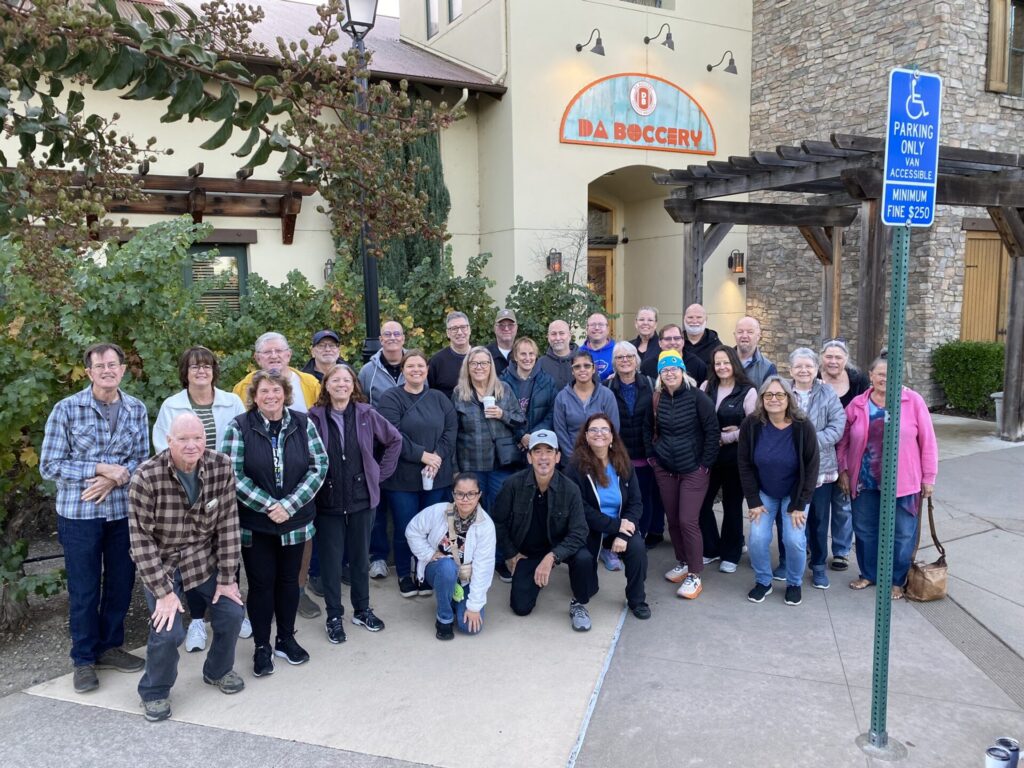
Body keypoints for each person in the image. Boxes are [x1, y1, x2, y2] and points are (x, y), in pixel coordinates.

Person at [40, 342, 149, 694]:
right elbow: (50, 465)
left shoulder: (135, 408)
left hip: (121, 513)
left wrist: (116, 477)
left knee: (120, 583)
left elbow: (142, 460)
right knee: (85, 589)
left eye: (113, 365)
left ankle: (109, 646)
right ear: (88, 372)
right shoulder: (66, 410)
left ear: (122, 369)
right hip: (80, 515)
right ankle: (84, 659)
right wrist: (100, 468)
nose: (107, 370)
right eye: (100, 366)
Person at [127, 414, 245, 722]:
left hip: (201, 558)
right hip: (162, 563)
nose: (192, 445)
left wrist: (227, 578)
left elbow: (229, 525)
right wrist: (164, 593)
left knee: (232, 612)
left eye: (198, 438)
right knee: (168, 632)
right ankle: (154, 691)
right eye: (183, 439)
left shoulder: (221, 466)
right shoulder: (146, 476)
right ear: (169, 441)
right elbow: (140, 543)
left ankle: (217, 671)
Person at [221, 370, 327, 677]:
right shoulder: (239, 427)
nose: (270, 396)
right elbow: (233, 473)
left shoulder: (303, 424)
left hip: (295, 520)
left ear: (285, 394)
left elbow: (318, 466)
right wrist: (269, 505)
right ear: (254, 396)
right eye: (264, 391)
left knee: (289, 582)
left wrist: (290, 504)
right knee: (261, 586)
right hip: (257, 523)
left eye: (276, 391)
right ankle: (261, 647)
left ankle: (286, 638)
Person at [151, 346, 249, 651]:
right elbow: (162, 445)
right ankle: (196, 620)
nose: (201, 371)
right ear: (185, 371)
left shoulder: (232, 402)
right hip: (186, 490)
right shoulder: (172, 405)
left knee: (228, 546)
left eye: (206, 366)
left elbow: (243, 439)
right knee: (192, 555)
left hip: (224, 487)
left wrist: (221, 474)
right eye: (194, 367)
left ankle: (233, 605)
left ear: (214, 371)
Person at [308, 364, 401, 644]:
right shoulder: (313, 418)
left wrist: (377, 474)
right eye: (335, 380)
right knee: (331, 562)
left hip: (362, 499)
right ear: (326, 385)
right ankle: (334, 616)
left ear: (353, 385)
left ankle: (362, 609)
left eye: (346, 380)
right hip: (328, 500)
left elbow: (394, 440)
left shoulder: (366, 414)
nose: (341, 384)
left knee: (361, 559)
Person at [837, 357, 938, 599]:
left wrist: (929, 477)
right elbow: (843, 441)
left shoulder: (912, 401)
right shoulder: (857, 404)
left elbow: (928, 441)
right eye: (880, 373)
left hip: (905, 481)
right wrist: (843, 470)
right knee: (864, 529)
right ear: (870, 376)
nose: (885, 378)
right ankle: (869, 574)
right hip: (864, 480)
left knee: (903, 532)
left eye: (890, 374)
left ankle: (896, 579)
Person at [491, 431, 594, 632]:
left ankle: (579, 603)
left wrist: (552, 557)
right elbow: (497, 522)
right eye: (537, 452)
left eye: (549, 451)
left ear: (558, 457)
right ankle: (535, 575)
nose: (543, 457)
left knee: (583, 559)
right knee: (520, 607)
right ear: (529, 457)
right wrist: (511, 553)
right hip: (528, 551)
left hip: (559, 548)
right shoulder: (513, 484)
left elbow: (580, 531)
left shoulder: (570, 489)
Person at [377, 350, 458, 597]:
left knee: (433, 529)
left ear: (427, 369)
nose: (416, 370)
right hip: (403, 477)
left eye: (420, 366)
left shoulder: (439, 398)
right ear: (402, 370)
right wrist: (422, 455)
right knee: (406, 527)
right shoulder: (391, 398)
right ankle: (404, 573)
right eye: (410, 366)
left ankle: (426, 573)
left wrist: (437, 457)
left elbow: (451, 430)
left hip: (436, 475)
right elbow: (392, 434)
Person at [645, 350, 719, 600]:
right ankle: (683, 561)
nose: (670, 373)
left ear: (682, 371)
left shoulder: (699, 398)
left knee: (688, 520)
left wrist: (704, 464)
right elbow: (648, 429)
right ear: (660, 375)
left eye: (674, 368)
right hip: (666, 468)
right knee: (673, 520)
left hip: (693, 470)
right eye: (665, 370)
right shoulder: (656, 398)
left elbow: (712, 432)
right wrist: (654, 459)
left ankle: (695, 574)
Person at [738, 376, 819, 606]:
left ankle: (794, 583)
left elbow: (812, 466)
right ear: (761, 399)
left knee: (793, 540)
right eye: (768, 395)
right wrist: (753, 500)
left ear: (788, 398)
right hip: (764, 492)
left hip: (794, 494)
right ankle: (763, 581)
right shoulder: (751, 425)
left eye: (780, 394)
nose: (774, 399)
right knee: (757, 538)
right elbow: (744, 463)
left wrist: (800, 505)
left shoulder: (803, 426)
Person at [567, 415, 651, 620]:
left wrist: (623, 533)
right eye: (593, 430)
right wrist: (616, 526)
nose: (599, 434)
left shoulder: (623, 463)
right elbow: (580, 509)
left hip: (619, 526)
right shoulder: (575, 467)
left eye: (604, 429)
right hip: (588, 529)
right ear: (586, 436)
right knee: (586, 580)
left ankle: (637, 599)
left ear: (612, 436)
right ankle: (585, 581)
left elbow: (635, 502)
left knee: (638, 548)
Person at [405, 473, 496, 640]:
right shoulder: (439, 511)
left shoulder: (486, 526)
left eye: (471, 493)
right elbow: (412, 530)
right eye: (460, 493)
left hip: (465, 577)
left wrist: (474, 606)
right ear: (453, 494)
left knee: (469, 627)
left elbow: (485, 566)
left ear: (479, 495)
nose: (465, 499)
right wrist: (428, 553)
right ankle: (444, 617)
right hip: (439, 570)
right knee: (447, 567)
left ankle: (452, 599)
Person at [788, 348, 846, 590]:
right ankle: (788, 563)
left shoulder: (827, 392)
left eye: (808, 366)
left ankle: (819, 565)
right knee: (790, 518)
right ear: (790, 370)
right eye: (798, 366)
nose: (804, 370)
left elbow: (838, 424)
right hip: (788, 467)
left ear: (816, 369)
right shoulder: (782, 391)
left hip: (821, 467)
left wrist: (811, 442)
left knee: (819, 519)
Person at [697, 345, 757, 573]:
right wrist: (716, 436)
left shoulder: (748, 391)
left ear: (734, 364)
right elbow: (698, 419)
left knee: (732, 507)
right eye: (717, 363)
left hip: (736, 459)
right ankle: (711, 548)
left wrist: (730, 435)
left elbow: (753, 426)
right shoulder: (706, 387)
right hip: (709, 457)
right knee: (702, 504)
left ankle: (731, 554)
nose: (722, 367)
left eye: (726, 362)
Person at [451, 346, 526, 513]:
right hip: (471, 464)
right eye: (474, 363)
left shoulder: (503, 389)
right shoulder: (459, 394)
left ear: (491, 366)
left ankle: (498, 540)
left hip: (500, 464)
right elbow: (453, 434)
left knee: (500, 509)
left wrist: (502, 414)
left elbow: (521, 421)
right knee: (472, 511)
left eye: (484, 363)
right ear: (467, 367)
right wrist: (455, 469)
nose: (479, 367)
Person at [605, 341, 664, 547]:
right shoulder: (607, 387)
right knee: (620, 500)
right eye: (620, 357)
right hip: (619, 456)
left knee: (643, 498)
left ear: (636, 360)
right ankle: (620, 537)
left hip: (646, 454)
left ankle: (640, 536)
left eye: (629, 356)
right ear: (614, 362)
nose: (625, 361)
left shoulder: (650, 384)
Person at [818, 337, 868, 571]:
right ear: (821, 358)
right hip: (819, 450)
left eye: (838, 357)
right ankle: (813, 545)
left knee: (842, 503)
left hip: (847, 449)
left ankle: (841, 550)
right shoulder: (813, 378)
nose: (833, 361)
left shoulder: (858, 381)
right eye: (829, 356)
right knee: (817, 504)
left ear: (846, 360)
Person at [553, 349, 619, 464]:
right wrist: (574, 459)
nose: (582, 369)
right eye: (577, 367)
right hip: (571, 462)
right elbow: (560, 431)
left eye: (587, 366)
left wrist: (601, 455)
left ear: (593, 369)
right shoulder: (562, 397)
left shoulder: (607, 395)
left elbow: (614, 428)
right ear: (572, 371)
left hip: (602, 460)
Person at [232, 331, 320, 412]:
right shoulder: (243, 387)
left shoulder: (311, 384)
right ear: (257, 358)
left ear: (288, 355)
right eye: (267, 352)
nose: (274, 356)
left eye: (279, 351)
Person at [500, 336, 557, 454]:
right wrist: (521, 436)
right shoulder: (502, 381)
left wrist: (532, 435)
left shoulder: (547, 381)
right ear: (515, 356)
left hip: (539, 443)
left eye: (531, 354)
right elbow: (502, 413)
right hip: (511, 445)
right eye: (523, 354)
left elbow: (552, 412)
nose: (528, 358)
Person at [358, 320, 408, 408]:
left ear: (403, 339)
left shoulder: (416, 367)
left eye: (396, 334)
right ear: (381, 340)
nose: (392, 338)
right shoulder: (367, 371)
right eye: (387, 334)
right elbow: (360, 404)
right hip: (378, 421)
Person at [639, 322, 707, 385]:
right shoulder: (647, 366)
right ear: (660, 343)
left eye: (677, 338)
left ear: (683, 341)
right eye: (668, 339)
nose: (672, 342)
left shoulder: (697, 365)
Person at [428, 311, 473, 399]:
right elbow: (429, 394)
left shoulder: (482, 357)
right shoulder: (437, 361)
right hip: (447, 411)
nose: (459, 332)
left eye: (463, 327)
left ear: (469, 330)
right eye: (454, 328)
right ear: (448, 333)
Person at [733, 317, 777, 387]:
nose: (744, 336)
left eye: (750, 332)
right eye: (740, 332)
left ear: (758, 336)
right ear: (734, 335)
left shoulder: (768, 368)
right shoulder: (723, 363)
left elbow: (770, 396)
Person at [538, 319, 577, 390]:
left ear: (569, 336)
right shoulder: (540, 364)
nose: (558, 338)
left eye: (561, 333)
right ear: (548, 337)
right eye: (553, 334)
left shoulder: (583, 360)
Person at [581, 313, 616, 381]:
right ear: (587, 329)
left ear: (608, 329)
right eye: (593, 325)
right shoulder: (579, 353)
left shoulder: (618, 351)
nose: (597, 328)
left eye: (601, 324)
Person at [486, 308, 518, 377]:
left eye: (510, 325)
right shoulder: (485, 354)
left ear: (516, 328)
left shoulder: (524, 354)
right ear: (494, 328)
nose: (506, 329)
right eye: (501, 325)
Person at [629, 306, 661, 374]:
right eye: (641, 319)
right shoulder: (628, 346)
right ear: (636, 323)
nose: (645, 323)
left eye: (650, 320)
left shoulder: (663, 346)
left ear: (655, 324)